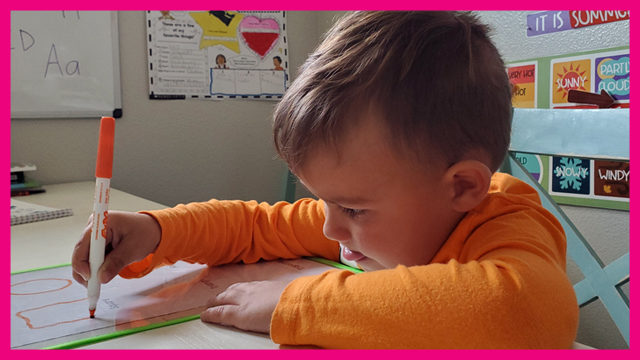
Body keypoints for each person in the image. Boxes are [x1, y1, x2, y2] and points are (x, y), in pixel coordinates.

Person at [72, 11, 579, 349]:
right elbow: (254, 226)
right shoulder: (371, 217)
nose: (331, 228)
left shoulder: (506, 220)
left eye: (353, 210)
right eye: (325, 203)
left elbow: (527, 312)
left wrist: (295, 302)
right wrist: (155, 231)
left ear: (462, 188)